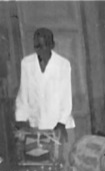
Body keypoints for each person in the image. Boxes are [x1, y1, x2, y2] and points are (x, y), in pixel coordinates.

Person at [15, 27, 75, 163]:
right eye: (37, 47)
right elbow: (23, 93)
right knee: (42, 169)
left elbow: (66, 97)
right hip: (37, 126)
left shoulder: (62, 64)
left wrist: (61, 123)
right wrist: (20, 118)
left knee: (63, 166)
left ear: (52, 45)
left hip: (61, 126)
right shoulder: (27, 63)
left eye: (43, 46)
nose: (40, 50)